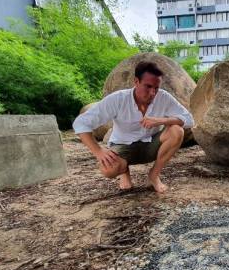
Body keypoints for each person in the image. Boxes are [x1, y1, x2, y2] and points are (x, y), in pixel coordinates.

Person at [73, 61, 193, 193]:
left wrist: (161, 120)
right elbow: (81, 123)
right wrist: (99, 152)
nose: (153, 93)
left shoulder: (163, 97)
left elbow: (189, 120)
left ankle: (154, 175)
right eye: (148, 86)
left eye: (156, 88)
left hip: (150, 143)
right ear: (136, 82)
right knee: (107, 169)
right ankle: (124, 172)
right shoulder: (118, 99)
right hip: (123, 146)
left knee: (177, 130)